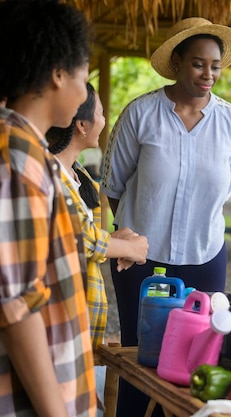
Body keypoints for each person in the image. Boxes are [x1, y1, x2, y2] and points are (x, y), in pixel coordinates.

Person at [100, 17, 231, 416]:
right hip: (142, 259)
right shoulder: (141, 113)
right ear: (177, 62)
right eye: (199, 63)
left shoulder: (230, 121)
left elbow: (224, 185)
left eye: (215, 65)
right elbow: (113, 187)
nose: (209, 74)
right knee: (140, 356)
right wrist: (128, 239)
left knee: (196, 361)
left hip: (206, 255)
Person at [0, 0, 97, 416]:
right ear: (58, 74)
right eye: (83, 76)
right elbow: (17, 309)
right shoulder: (18, 158)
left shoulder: (30, 152)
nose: (85, 91)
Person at [47, 82, 149, 349]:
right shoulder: (48, 174)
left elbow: (86, 236)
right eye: (101, 113)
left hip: (82, 316)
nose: (104, 121)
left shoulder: (78, 176)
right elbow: (78, 238)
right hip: (58, 319)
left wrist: (116, 240)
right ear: (82, 124)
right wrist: (128, 247)